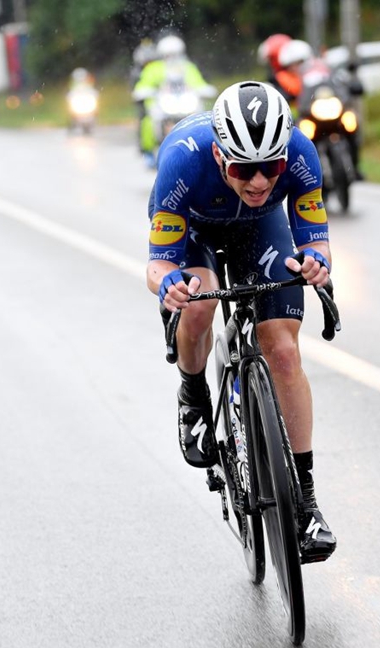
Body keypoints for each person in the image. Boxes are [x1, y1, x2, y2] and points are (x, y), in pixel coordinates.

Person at [146, 81, 337, 562]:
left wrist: (315, 261)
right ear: (218, 156)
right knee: (199, 304)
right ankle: (193, 393)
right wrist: (171, 286)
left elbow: (316, 239)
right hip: (197, 228)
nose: (257, 182)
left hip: (260, 227)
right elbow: (158, 266)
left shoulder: (299, 153)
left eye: (268, 169)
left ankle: (306, 502)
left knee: (285, 352)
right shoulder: (183, 163)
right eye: (242, 169)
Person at [133, 34, 214, 168]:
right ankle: (148, 152)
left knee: (203, 119)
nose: (172, 57)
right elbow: (144, 84)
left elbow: (198, 82)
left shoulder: (188, 67)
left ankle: (205, 149)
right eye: (168, 54)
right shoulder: (154, 68)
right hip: (161, 104)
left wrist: (205, 89)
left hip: (184, 103)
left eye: (175, 54)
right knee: (148, 121)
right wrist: (144, 91)